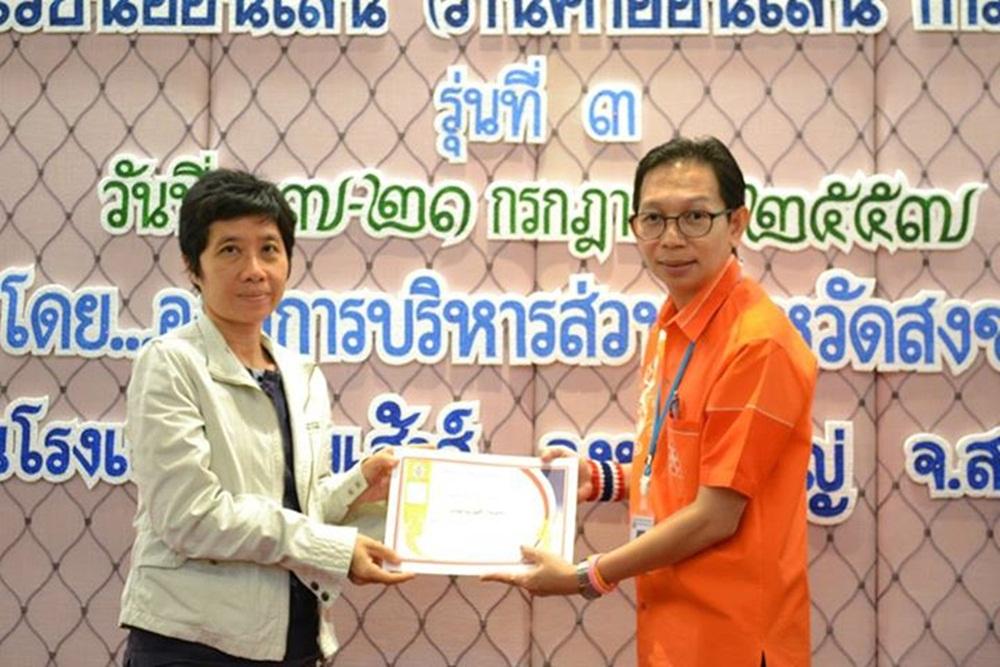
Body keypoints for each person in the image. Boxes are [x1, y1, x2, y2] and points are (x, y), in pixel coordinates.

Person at [485, 136, 818, 667]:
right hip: (672, 629)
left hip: (733, 639)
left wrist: (586, 576)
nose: (671, 239)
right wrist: (604, 479)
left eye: (695, 217)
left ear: (736, 223)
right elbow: (684, 466)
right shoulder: (672, 324)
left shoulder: (757, 344)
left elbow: (716, 515)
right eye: (654, 219)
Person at [119, 168, 413, 666]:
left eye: (270, 249)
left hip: (294, 642)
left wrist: (357, 485)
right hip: (193, 645)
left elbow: (294, 507)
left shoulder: (301, 373)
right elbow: (190, 516)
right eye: (230, 250)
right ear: (193, 267)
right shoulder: (170, 362)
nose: (254, 270)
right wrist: (333, 549)